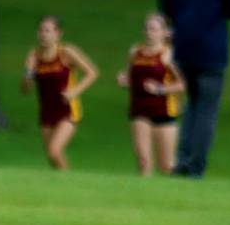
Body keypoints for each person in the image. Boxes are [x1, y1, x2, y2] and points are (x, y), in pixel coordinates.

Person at [158, 0, 230, 178]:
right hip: (211, 47)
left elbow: (165, 5)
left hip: (183, 44)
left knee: (190, 104)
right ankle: (196, 165)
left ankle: (182, 160)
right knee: (206, 109)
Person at [21, 16, 98, 171]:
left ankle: (69, 181)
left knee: (54, 151)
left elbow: (92, 73)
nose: (43, 34)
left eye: (48, 31)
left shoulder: (66, 52)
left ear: (58, 33)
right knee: (52, 157)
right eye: (41, 30)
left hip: (67, 110)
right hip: (46, 111)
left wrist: (74, 92)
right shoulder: (34, 56)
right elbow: (25, 90)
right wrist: (28, 73)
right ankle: (63, 184)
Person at [117, 13, 186, 176]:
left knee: (166, 166)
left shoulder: (168, 54)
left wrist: (160, 89)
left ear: (164, 32)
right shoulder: (135, 51)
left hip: (163, 111)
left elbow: (182, 84)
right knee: (143, 161)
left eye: (154, 29)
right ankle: (142, 198)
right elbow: (131, 76)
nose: (149, 32)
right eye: (147, 28)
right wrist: (125, 80)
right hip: (139, 110)